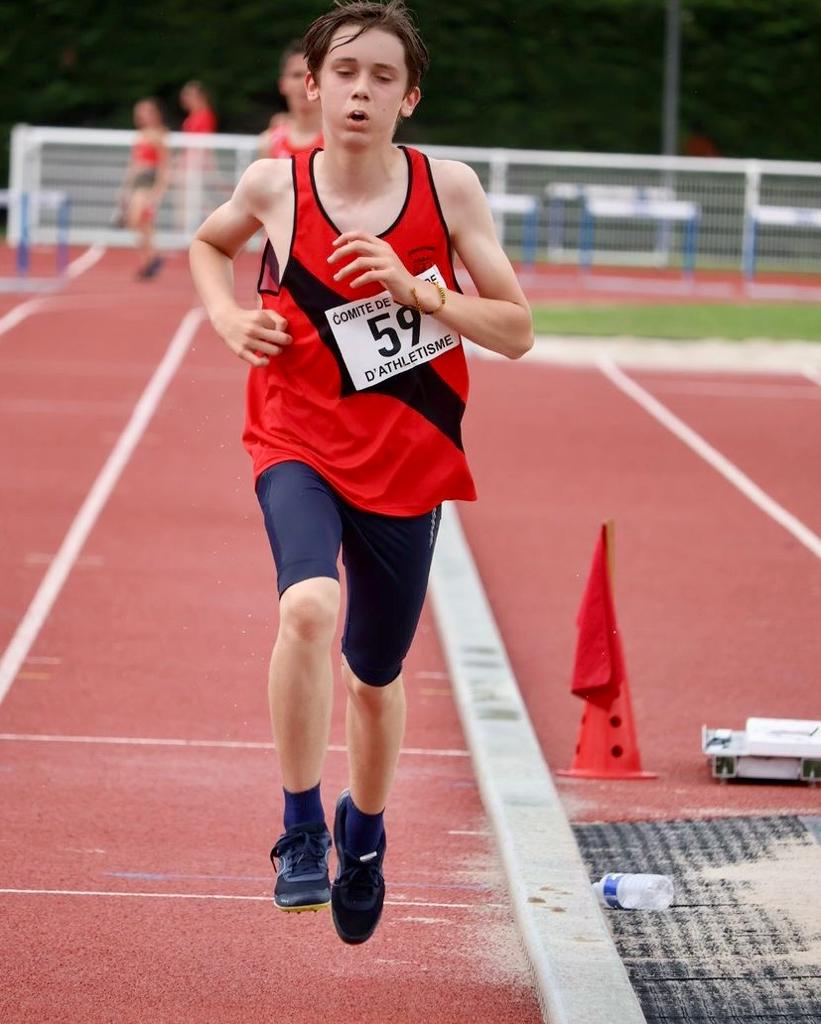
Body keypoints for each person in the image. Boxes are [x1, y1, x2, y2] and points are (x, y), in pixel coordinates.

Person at [189, 0, 532, 946]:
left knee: (373, 679)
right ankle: (300, 826)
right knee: (307, 607)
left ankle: (365, 835)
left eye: (383, 77)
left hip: (405, 463)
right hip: (294, 438)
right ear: (312, 85)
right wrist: (227, 317)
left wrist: (420, 291)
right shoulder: (274, 184)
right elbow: (209, 245)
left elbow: (515, 330)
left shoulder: (447, 189)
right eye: (343, 72)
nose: (360, 91)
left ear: (408, 98)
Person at [118, 97, 169, 279]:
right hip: (138, 182)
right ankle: (150, 259)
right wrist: (124, 188)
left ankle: (153, 257)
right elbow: (134, 164)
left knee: (136, 220)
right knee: (142, 223)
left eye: (146, 112)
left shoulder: (158, 135)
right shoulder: (139, 135)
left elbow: (164, 165)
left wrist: (159, 190)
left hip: (148, 182)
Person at [258, 41, 324, 158]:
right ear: (282, 84)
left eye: (312, 75)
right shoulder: (268, 142)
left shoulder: (339, 138)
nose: (305, 83)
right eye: (297, 75)